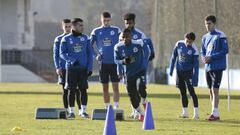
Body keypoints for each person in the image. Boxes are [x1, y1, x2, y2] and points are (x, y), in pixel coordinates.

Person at [121, 13, 154, 118]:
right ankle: (135, 111)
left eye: (130, 23)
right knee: (131, 90)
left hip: (139, 67)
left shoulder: (140, 34)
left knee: (140, 88)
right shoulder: (121, 36)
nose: (128, 25)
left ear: (134, 22)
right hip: (128, 69)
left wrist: (146, 61)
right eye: (126, 23)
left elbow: (147, 47)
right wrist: (121, 67)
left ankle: (143, 100)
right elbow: (119, 51)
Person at [60, 18, 93, 119]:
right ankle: (71, 112)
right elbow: (62, 54)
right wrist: (72, 60)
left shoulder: (86, 38)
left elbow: (89, 53)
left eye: (83, 25)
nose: (82, 27)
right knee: (71, 90)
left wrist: (90, 67)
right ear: (74, 26)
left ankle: (83, 111)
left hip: (83, 69)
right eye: (80, 25)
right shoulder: (65, 39)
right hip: (71, 69)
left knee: (83, 90)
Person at [90, 12, 121, 109]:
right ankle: (107, 107)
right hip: (103, 63)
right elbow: (89, 46)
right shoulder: (96, 31)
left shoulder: (116, 30)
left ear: (110, 20)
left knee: (115, 87)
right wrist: (95, 55)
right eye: (104, 20)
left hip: (115, 63)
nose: (106, 22)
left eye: (108, 20)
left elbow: (122, 43)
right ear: (101, 20)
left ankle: (116, 107)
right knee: (105, 87)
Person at [114, 28, 146, 121]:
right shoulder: (118, 47)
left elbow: (148, 49)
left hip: (140, 71)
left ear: (131, 37)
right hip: (128, 74)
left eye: (127, 37)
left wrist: (145, 63)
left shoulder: (139, 43)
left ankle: (143, 102)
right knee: (132, 96)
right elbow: (116, 60)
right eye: (123, 37)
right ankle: (141, 113)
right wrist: (123, 61)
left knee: (140, 86)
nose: (125, 39)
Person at [201, 15, 228, 121]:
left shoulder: (221, 35)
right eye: (206, 24)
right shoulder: (204, 37)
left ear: (214, 24)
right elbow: (202, 50)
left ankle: (214, 112)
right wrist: (204, 57)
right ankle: (215, 112)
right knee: (210, 90)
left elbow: (225, 50)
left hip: (217, 66)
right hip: (208, 67)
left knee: (215, 89)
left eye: (209, 23)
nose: (207, 26)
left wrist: (211, 57)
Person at [53, 19, 82, 114]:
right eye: (66, 27)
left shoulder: (75, 38)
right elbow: (56, 55)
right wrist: (57, 67)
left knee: (77, 90)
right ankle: (66, 110)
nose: (68, 28)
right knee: (65, 90)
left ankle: (81, 110)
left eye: (69, 26)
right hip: (63, 69)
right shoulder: (58, 39)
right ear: (62, 27)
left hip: (73, 68)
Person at [169, 32, 199, 119]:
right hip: (179, 72)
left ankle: (196, 114)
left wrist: (195, 78)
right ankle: (185, 113)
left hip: (188, 73)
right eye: (187, 41)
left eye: (190, 42)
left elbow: (196, 66)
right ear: (184, 38)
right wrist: (171, 69)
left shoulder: (194, 50)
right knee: (182, 92)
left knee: (191, 92)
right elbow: (173, 56)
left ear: (193, 41)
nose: (188, 43)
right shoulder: (179, 44)